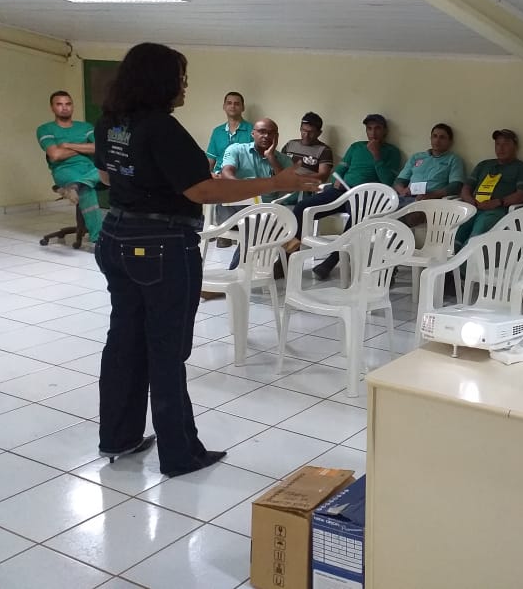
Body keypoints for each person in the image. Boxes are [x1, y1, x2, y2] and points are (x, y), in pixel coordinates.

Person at [92, 42, 318, 478]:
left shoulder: (110, 123)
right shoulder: (162, 128)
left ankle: (118, 438)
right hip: (160, 243)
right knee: (166, 348)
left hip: (116, 235)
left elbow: (106, 174)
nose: (186, 84)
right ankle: (180, 455)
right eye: (181, 76)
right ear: (159, 81)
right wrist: (278, 179)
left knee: (124, 340)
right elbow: (203, 191)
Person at [301, 114, 402, 280]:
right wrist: (336, 181)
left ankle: (332, 260)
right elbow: (340, 170)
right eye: (369, 128)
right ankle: (290, 253)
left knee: (357, 216)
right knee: (303, 207)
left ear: (385, 131)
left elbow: (388, 181)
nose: (373, 132)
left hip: (366, 197)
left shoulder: (392, 152)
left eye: (377, 128)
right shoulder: (356, 147)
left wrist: (377, 156)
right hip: (342, 191)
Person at [219, 118, 293, 272]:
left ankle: (232, 274)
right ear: (253, 133)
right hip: (233, 206)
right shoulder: (236, 150)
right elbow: (226, 173)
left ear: (277, 136)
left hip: (264, 212)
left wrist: (271, 157)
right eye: (262, 131)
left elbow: (288, 185)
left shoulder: (283, 160)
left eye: (271, 133)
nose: (266, 136)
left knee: (255, 225)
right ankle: (284, 238)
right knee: (257, 219)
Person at [37, 91, 103, 243]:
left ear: (72, 106)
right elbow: (55, 155)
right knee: (87, 189)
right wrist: (84, 147)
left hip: (90, 169)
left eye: (68, 104)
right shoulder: (45, 129)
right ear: (52, 108)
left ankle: (75, 187)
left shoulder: (86, 127)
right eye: (59, 104)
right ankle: (98, 238)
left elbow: (99, 148)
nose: (64, 108)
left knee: (112, 171)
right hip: (64, 170)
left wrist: (67, 145)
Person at [456, 129, 523, 248]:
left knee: (477, 236)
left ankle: (466, 264)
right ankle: (449, 263)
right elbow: (466, 188)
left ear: (515, 146)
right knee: (455, 231)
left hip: (496, 210)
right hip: (473, 207)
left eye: (506, 144)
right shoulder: (484, 165)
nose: (500, 148)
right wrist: (470, 201)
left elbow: (521, 194)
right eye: (497, 144)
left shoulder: (522, 168)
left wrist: (497, 202)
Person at [394, 123, 465, 206]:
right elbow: (399, 181)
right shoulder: (417, 157)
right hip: (407, 197)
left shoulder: (453, 159)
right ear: (430, 139)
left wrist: (431, 195)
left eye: (442, 137)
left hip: (431, 200)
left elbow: (455, 186)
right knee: (381, 208)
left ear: (450, 142)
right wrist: (403, 191)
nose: (437, 140)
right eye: (434, 136)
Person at [205, 91, 251, 175]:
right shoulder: (217, 131)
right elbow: (210, 161)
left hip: (243, 179)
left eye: (237, 104)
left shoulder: (253, 130)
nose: (233, 106)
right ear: (224, 106)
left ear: (243, 107)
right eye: (229, 103)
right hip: (220, 177)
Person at [282, 112, 334, 182]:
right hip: (284, 183)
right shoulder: (290, 144)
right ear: (300, 129)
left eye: (311, 132)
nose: (306, 135)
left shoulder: (324, 150)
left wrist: (297, 178)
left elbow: (323, 176)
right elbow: (279, 164)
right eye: (304, 130)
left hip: (306, 188)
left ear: (319, 133)